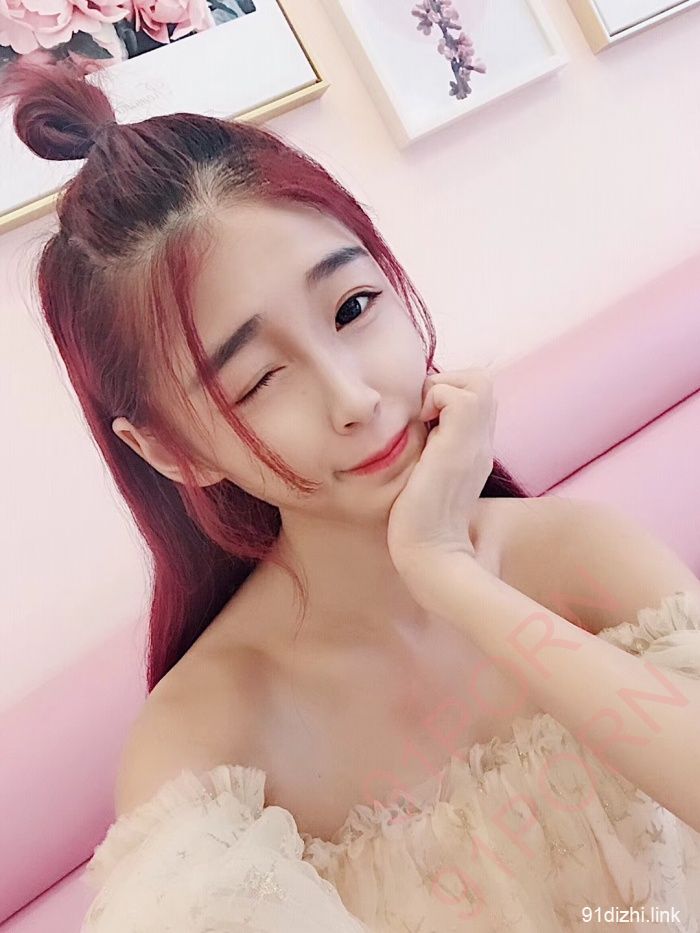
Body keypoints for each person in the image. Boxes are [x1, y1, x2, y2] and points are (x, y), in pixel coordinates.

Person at [2, 55, 700, 933]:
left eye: (353, 307)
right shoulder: (204, 755)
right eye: (259, 380)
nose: (354, 397)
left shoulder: (578, 556)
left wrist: (450, 574)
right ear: (171, 450)